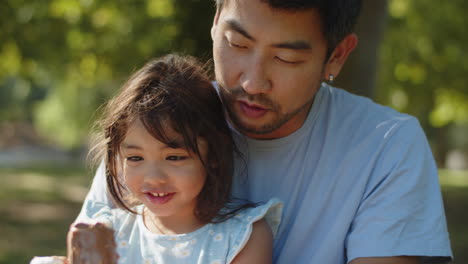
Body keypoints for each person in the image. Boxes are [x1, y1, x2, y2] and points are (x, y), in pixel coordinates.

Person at [77, 0, 453, 263]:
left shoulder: (386, 146)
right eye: (236, 44)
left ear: (336, 55)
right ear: (214, 22)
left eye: (286, 58)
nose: (254, 82)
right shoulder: (155, 124)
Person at [76, 54, 282, 263]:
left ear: (214, 153)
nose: (154, 178)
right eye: (135, 158)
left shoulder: (243, 236)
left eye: (174, 157)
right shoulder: (108, 235)